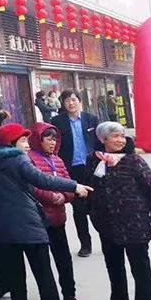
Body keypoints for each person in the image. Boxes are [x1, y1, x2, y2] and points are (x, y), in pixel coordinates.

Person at [0, 123, 91, 300]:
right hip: (29, 225)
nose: (27, 145)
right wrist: (74, 186)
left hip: (4, 228)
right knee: (44, 275)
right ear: (11, 143)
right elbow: (42, 179)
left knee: (16, 277)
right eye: (23, 141)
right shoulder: (19, 159)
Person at [86, 122, 151, 300]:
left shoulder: (134, 161)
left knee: (140, 267)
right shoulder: (94, 160)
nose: (121, 140)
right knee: (113, 263)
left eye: (122, 136)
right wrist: (91, 211)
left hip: (134, 222)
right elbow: (89, 187)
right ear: (103, 139)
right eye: (115, 136)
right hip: (106, 223)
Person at [27, 123, 82, 300]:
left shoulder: (57, 160)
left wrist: (65, 196)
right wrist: (51, 197)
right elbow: (32, 186)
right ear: (38, 139)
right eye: (48, 138)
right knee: (42, 263)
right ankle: (47, 298)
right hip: (40, 220)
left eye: (55, 139)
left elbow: (69, 182)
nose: (53, 142)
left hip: (58, 218)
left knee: (64, 259)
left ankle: (70, 295)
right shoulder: (29, 159)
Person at [51, 89, 100, 257]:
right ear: (63, 104)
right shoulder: (57, 122)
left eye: (73, 100)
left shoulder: (91, 119)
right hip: (71, 170)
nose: (70, 103)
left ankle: (108, 240)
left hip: (91, 169)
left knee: (97, 207)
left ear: (80, 101)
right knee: (78, 209)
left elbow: (99, 142)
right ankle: (85, 245)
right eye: (67, 101)